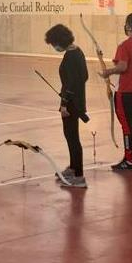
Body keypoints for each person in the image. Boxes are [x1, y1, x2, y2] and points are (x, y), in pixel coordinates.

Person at [100, 12, 132, 171]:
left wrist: (108, 72)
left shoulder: (124, 46)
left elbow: (123, 67)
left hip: (126, 93)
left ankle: (129, 160)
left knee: (127, 127)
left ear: (128, 25)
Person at [44, 24, 88, 187]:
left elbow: (70, 84)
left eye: (54, 43)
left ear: (59, 41)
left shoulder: (70, 57)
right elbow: (84, 76)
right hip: (77, 102)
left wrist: (64, 105)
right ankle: (73, 167)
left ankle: (79, 176)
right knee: (71, 137)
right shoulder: (78, 51)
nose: (54, 47)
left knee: (73, 139)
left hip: (70, 104)